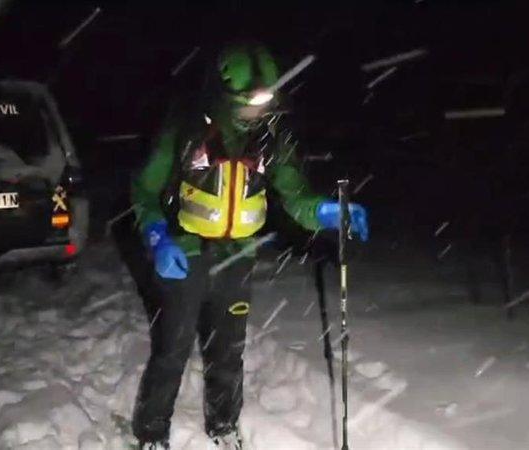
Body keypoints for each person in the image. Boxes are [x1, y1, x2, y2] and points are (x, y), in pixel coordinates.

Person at [130, 42, 369, 449]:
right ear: (222, 97)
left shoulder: (271, 137)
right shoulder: (187, 130)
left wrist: (328, 211)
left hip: (238, 255)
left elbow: (295, 196)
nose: (256, 112)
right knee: (173, 349)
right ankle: (152, 433)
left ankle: (224, 426)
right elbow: (143, 189)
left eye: (263, 103)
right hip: (184, 252)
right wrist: (157, 238)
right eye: (247, 104)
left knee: (228, 352)